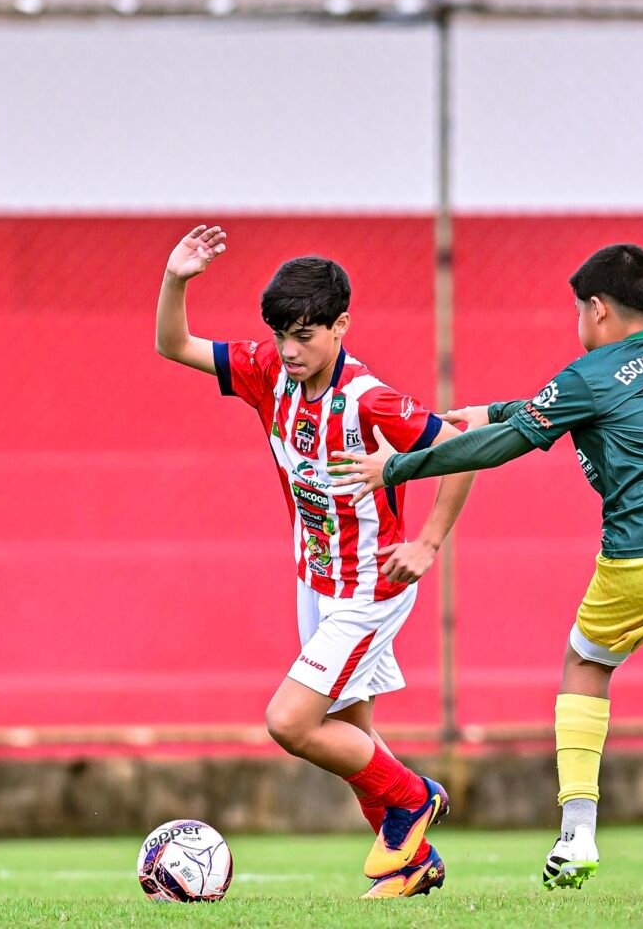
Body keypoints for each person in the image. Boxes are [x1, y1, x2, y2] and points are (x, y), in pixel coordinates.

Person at [330, 243, 643, 900]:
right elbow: (565, 411)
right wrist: (497, 409)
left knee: (587, 666)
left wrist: (397, 467)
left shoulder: (589, 372)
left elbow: (513, 443)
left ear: (597, 308)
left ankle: (577, 832)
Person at [155, 225, 476, 898]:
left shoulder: (367, 399)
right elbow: (172, 345)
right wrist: (177, 278)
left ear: (341, 326)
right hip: (315, 584)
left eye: (305, 334)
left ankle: (416, 799)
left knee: (290, 721)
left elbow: (458, 448)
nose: (290, 349)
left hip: (369, 589)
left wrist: (427, 544)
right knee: (352, 741)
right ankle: (413, 867)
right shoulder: (268, 373)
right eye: (281, 334)